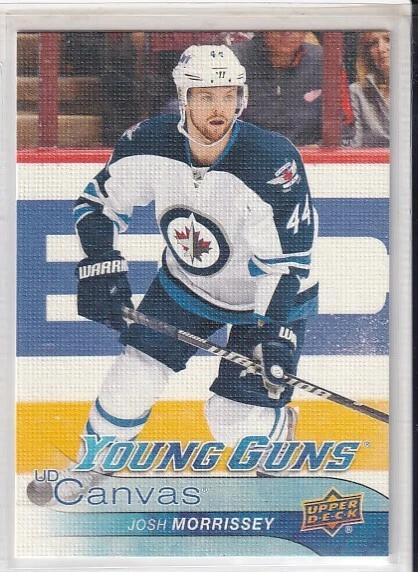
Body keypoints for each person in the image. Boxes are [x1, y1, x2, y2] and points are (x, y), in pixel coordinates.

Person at [27, 45, 318, 506]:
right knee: (134, 373)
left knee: (230, 419)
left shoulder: (271, 161)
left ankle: (278, 429)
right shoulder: (149, 142)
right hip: (186, 285)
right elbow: (98, 205)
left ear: (241, 98)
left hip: (268, 298)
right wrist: (99, 266)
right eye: (205, 96)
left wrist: (274, 336)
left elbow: (287, 266)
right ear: (184, 98)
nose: (219, 108)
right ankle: (92, 465)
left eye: (228, 94)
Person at [232, 32, 353, 146]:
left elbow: (345, 128)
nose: (286, 33)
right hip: (247, 156)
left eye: (294, 25)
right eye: (279, 25)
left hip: (310, 158)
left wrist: (318, 150)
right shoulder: (232, 60)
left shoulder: (327, 62)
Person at [349, 31, 389, 147]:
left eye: (388, 40)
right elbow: (353, 145)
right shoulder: (357, 92)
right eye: (373, 43)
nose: (381, 49)